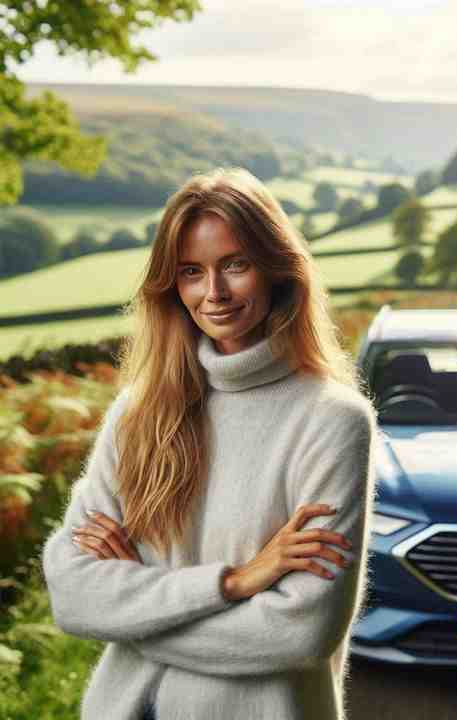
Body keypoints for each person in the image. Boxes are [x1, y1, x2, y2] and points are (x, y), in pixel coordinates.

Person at [41, 167, 379, 720]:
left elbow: (299, 631)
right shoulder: (138, 411)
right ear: (171, 286)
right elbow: (73, 593)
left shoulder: (332, 420)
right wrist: (235, 583)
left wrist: (135, 616)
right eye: (191, 272)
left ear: (278, 269)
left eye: (235, 265)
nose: (214, 293)